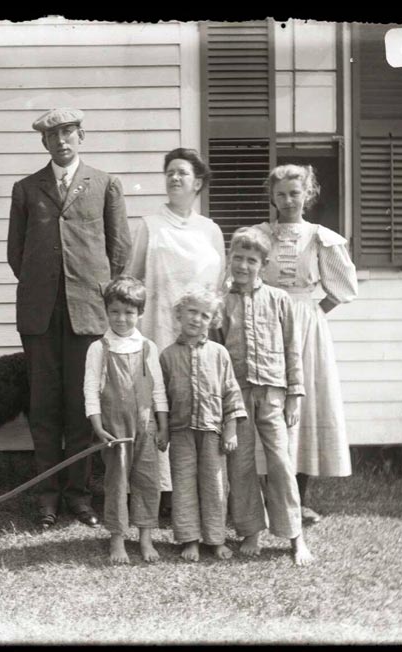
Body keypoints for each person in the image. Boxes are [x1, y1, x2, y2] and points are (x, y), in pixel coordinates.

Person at [7, 108, 132, 530]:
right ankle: (46, 496)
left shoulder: (105, 184)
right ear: (44, 143)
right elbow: (16, 255)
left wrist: (92, 293)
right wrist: (46, 287)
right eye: (52, 135)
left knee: (82, 406)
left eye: (68, 132)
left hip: (87, 313)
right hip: (40, 314)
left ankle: (79, 496)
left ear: (82, 135)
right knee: (44, 408)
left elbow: (119, 251)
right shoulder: (26, 189)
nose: (61, 141)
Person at [252, 164, 358, 524]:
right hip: (265, 322)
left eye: (294, 193)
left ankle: (299, 498)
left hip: (306, 328)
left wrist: (312, 311)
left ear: (307, 195)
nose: (287, 200)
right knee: (268, 404)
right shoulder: (259, 235)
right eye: (280, 193)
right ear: (272, 196)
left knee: (303, 409)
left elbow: (343, 289)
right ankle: (268, 500)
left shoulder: (320, 237)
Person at [126, 148, 226, 509]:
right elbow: (131, 281)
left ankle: (199, 492)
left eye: (182, 172)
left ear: (198, 182)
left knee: (195, 403)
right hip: (158, 330)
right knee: (159, 405)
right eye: (169, 172)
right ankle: (161, 494)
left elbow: (219, 287)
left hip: (198, 336)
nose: (174, 178)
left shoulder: (210, 230)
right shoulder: (150, 226)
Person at [220, 228, 313, 565]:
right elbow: (217, 357)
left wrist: (295, 394)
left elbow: (293, 350)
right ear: (231, 259)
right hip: (237, 395)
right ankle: (251, 530)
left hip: (274, 392)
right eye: (239, 258)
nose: (244, 266)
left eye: (252, 260)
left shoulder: (278, 299)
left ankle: (295, 535)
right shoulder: (222, 303)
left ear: (263, 264)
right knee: (240, 465)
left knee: (281, 463)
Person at [83, 276, 168, 563]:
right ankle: (117, 539)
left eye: (129, 313)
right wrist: (97, 426)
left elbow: (158, 389)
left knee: (147, 481)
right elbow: (91, 390)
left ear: (139, 314)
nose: (121, 319)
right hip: (114, 429)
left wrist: (162, 425)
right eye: (115, 312)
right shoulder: (99, 349)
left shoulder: (148, 348)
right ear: (106, 312)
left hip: (146, 427)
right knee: (117, 483)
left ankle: (145, 538)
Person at [159, 286, 246, 562]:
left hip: (213, 431)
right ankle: (189, 539)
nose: (197, 319)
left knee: (215, 485)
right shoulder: (167, 355)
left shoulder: (219, 354)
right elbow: (160, 398)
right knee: (184, 484)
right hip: (181, 431)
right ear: (179, 314)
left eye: (205, 315)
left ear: (213, 320)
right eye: (192, 312)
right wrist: (162, 430)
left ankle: (216, 539)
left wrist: (231, 429)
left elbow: (231, 392)